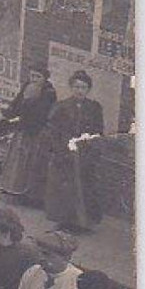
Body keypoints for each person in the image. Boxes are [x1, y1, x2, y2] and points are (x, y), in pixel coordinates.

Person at [43, 69, 107, 232]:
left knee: (85, 187)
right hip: (65, 152)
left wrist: (92, 149)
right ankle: (64, 221)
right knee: (64, 188)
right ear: (71, 88)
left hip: (85, 153)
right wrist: (59, 150)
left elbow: (98, 131)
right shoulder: (61, 107)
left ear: (88, 90)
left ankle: (83, 223)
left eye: (83, 87)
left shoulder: (94, 108)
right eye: (77, 87)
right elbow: (53, 130)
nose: (80, 91)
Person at [0, 63, 58, 207]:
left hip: (36, 133)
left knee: (31, 163)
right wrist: (8, 113)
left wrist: (27, 104)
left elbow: (41, 114)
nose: (34, 79)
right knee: (17, 162)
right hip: (23, 130)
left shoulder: (48, 93)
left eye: (38, 77)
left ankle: (27, 195)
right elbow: (17, 104)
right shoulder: (27, 87)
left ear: (44, 78)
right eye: (32, 76)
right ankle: (12, 190)